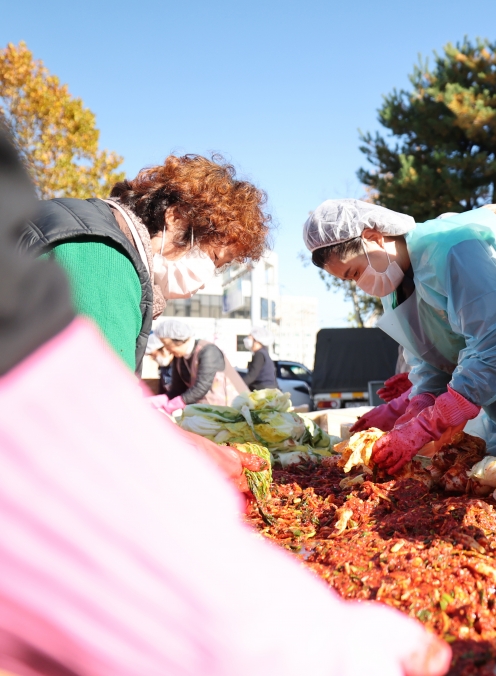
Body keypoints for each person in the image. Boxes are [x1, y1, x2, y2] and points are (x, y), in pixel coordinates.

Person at [0, 131, 450, 676]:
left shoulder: (86, 236)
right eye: (212, 256)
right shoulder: (99, 253)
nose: (208, 277)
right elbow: (83, 439)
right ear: (171, 219)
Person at [304, 199, 496, 473]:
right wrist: (418, 403)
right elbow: (431, 359)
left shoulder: (456, 248)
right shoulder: (394, 285)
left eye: (354, 272)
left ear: (373, 237)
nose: (359, 284)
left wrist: (428, 424)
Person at [20, 154, 270, 372]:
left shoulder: (87, 222)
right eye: (214, 258)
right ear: (176, 217)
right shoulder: (104, 257)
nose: (206, 280)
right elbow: (99, 399)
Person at [153, 319, 248, 412]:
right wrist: (165, 398)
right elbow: (178, 389)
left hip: (233, 408)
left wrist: (180, 401)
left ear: (179, 340)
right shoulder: (179, 358)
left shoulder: (208, 351)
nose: (166, 349)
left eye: (166, 344)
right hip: (210, 411)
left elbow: (202, 386)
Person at [243, 325, 279, 391]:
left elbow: (252, 375)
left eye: (249, 338)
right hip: (268, 389)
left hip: (262, 390)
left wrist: (238, 383)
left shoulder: (259, 355)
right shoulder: (264, 352)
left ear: (256, 340)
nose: (247, 340)